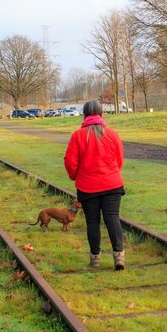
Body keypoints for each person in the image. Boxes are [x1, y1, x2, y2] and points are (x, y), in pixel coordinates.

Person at [64, 99, 125, 270]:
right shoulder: (112, 134)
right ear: (101, 114)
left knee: (92, 222)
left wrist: (75, 176)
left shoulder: (77, 136)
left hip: (87, 186)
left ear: (84, 115)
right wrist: (112, 173)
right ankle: (119, 256)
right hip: (112, 184)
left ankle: (95, 259)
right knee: (112, 217)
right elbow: (119, 160)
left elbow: (70, 162)